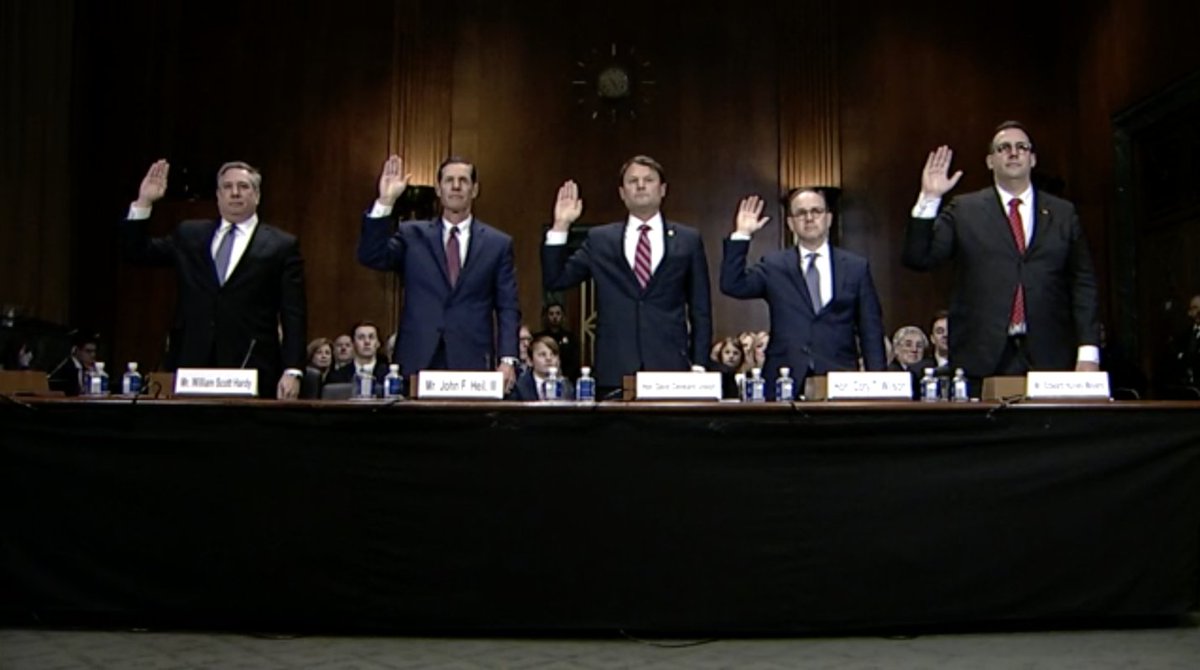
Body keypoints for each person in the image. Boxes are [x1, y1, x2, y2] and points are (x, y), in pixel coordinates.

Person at [903, 121, 1100, 387]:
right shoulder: (964, 210)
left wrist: (1088, 353)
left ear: (1032, 159)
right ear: (990, 161)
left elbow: (1083, 282)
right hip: (981, 355)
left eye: (1022, 147)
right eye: (1003, 148)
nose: (1013, 152)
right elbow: (919, 258)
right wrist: (929, 197)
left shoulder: (1063, 213)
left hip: (1050, 354)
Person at [121, 160, 307, 398]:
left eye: (244, 186)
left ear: (257, 195)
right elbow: (136, 252)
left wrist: (293, 370)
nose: (235, 193)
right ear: (218, 195)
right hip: (192, 362)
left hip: (252, 364)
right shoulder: (190, 235)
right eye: (227, 187)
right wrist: (144, 202)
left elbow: (294, 312)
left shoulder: (281, 245)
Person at [543, 155, 712, 395]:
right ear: (622, 193)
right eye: (632, 181)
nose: (640, 185)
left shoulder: (688, 240)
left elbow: (700, 309)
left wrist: (699, 365)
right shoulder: (600, 239)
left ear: (662, 189)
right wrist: (561, 226)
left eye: (648, 180)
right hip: (615, 367)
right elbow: (556, 279)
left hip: (671, 369)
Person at [358, 155, 520, 392]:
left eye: (463, 181)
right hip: (418, 357)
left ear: (474, 190)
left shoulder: (498, 244)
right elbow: (371, 255)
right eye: (449, 180)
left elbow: (508, 307)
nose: (456, 186)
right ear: (438, 188)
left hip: (472, 360)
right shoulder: (412, 234)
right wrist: (385, 200)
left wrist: (507, 360)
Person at [720, 190, 886, 398]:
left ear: (829, 218)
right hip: (784, 378)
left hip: (839, 376)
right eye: (801, 213)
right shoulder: (774, 265)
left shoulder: (855, 267)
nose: (809, 218)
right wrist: (742, 235)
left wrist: (879, 381)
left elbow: (870, 329)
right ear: (790, 223)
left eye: (816, 211)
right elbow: (732, 285)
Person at [509, 335, 574, 401]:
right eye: (542, 354)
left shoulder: (566, 386)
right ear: (530, 361)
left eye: (553, 354)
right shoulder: (519, 387)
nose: (549, 358)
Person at [326, 322, 390, 388]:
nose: (367, 342)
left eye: (371, 337)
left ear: (378, 343)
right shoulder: (336, 376)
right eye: (361, 338)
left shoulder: (389, 374)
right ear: (353, 343)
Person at [532, 301, 580, 379]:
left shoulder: (571, 338)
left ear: (563, 316)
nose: (555, 317)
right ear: (546, 316)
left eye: (558, 313)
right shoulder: (539, 338)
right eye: (551, 314)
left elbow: (574, 362)